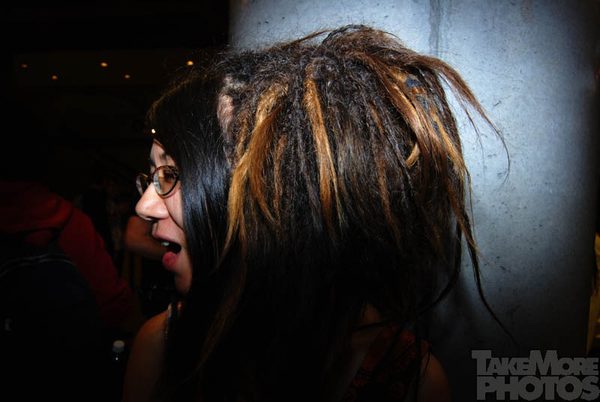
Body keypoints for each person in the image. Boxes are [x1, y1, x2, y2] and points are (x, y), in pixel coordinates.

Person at [124, 25, 503, 402]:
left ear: (265, 193)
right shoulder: (164, 345)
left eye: (171, 174)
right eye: (152, 176)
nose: (144, 206)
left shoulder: (408, 381)